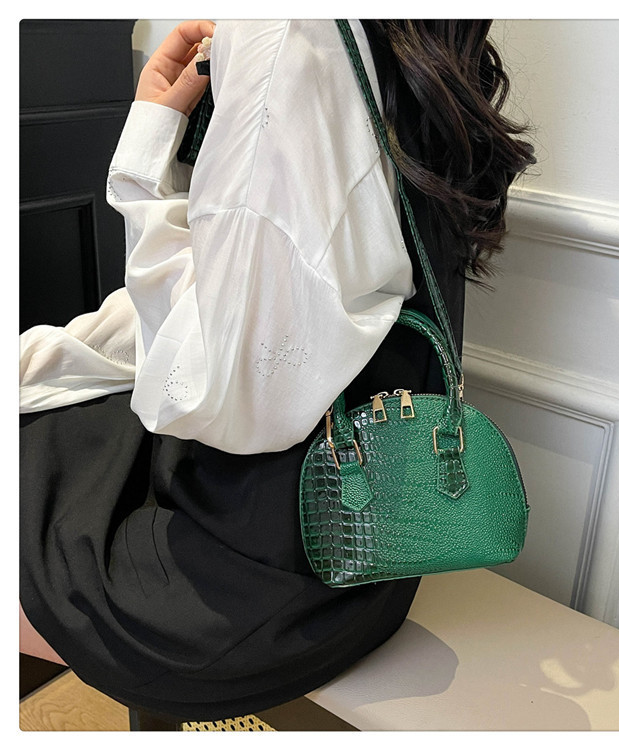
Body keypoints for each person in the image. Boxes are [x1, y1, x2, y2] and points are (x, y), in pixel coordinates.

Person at [20, 20, 534, 721]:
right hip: (376, 554)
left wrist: (147, 152)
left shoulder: (286, 32)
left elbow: (206, 395)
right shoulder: (408, 34)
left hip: (239, 594)